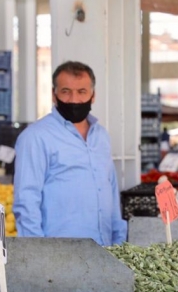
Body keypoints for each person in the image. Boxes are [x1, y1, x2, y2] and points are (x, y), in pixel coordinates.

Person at [13, 61, 127, 246]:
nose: (74, 99)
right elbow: (26, 202)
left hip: (105, 251)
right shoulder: (35, 137)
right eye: (66, 91)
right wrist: (36, 254)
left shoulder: (101, 136)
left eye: (82, 91)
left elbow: (111, 193)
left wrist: (119, 242)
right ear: (54, 94)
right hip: (60, 255)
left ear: (93, 95)